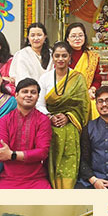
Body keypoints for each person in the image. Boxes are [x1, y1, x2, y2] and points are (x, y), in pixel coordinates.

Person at [38, 42, 90, 189]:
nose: (60, 59)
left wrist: (68, 117)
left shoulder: (78, 78)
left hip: (72, 122)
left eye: (64, 56)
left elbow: (83, 106)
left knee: (69, 136)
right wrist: (50, 117)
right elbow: (39, 104)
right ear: (53, 58)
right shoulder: (45, 78)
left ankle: (68, 185)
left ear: (69, 58)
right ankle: (53, 183)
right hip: (49, 122)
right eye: (57, 56)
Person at [0, 78, 52, 189]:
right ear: (16, 95)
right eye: (25, 91)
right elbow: (1, 154)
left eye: (33, 92)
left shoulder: (43, 120)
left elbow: (42, 152)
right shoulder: (4, 121)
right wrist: (9, 154)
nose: (29, 95)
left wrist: (12, 155)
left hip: (36, 179)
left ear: (38, 97)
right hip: (9, 179)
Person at [64, 22, 101, 117]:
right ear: (67, 39)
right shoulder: (62, 56)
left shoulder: (92, 57)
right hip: (66, 96)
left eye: (80, 35)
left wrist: (92, 89)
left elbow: (97, 79)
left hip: (87, 96)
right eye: (73, 36)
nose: (77, 38)